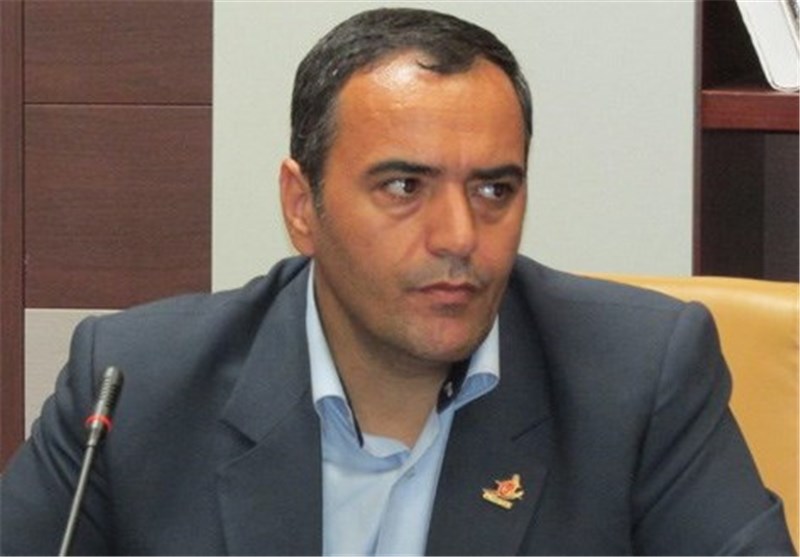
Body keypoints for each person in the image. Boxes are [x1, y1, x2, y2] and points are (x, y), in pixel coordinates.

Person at [0, 7, 795, 556]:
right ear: (301, 205)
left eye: (494, 189)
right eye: (404, 186)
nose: (459, 236)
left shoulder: (638, 379)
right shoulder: (134, 386)